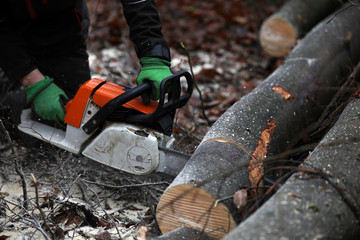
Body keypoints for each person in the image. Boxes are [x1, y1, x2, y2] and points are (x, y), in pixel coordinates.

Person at [0, 0, 172, 123]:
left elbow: (137, 1)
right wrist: (32, 81)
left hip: (62, 28)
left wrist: (154, 54)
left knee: (77, 118)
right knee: (11, 108)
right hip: (8, 26)